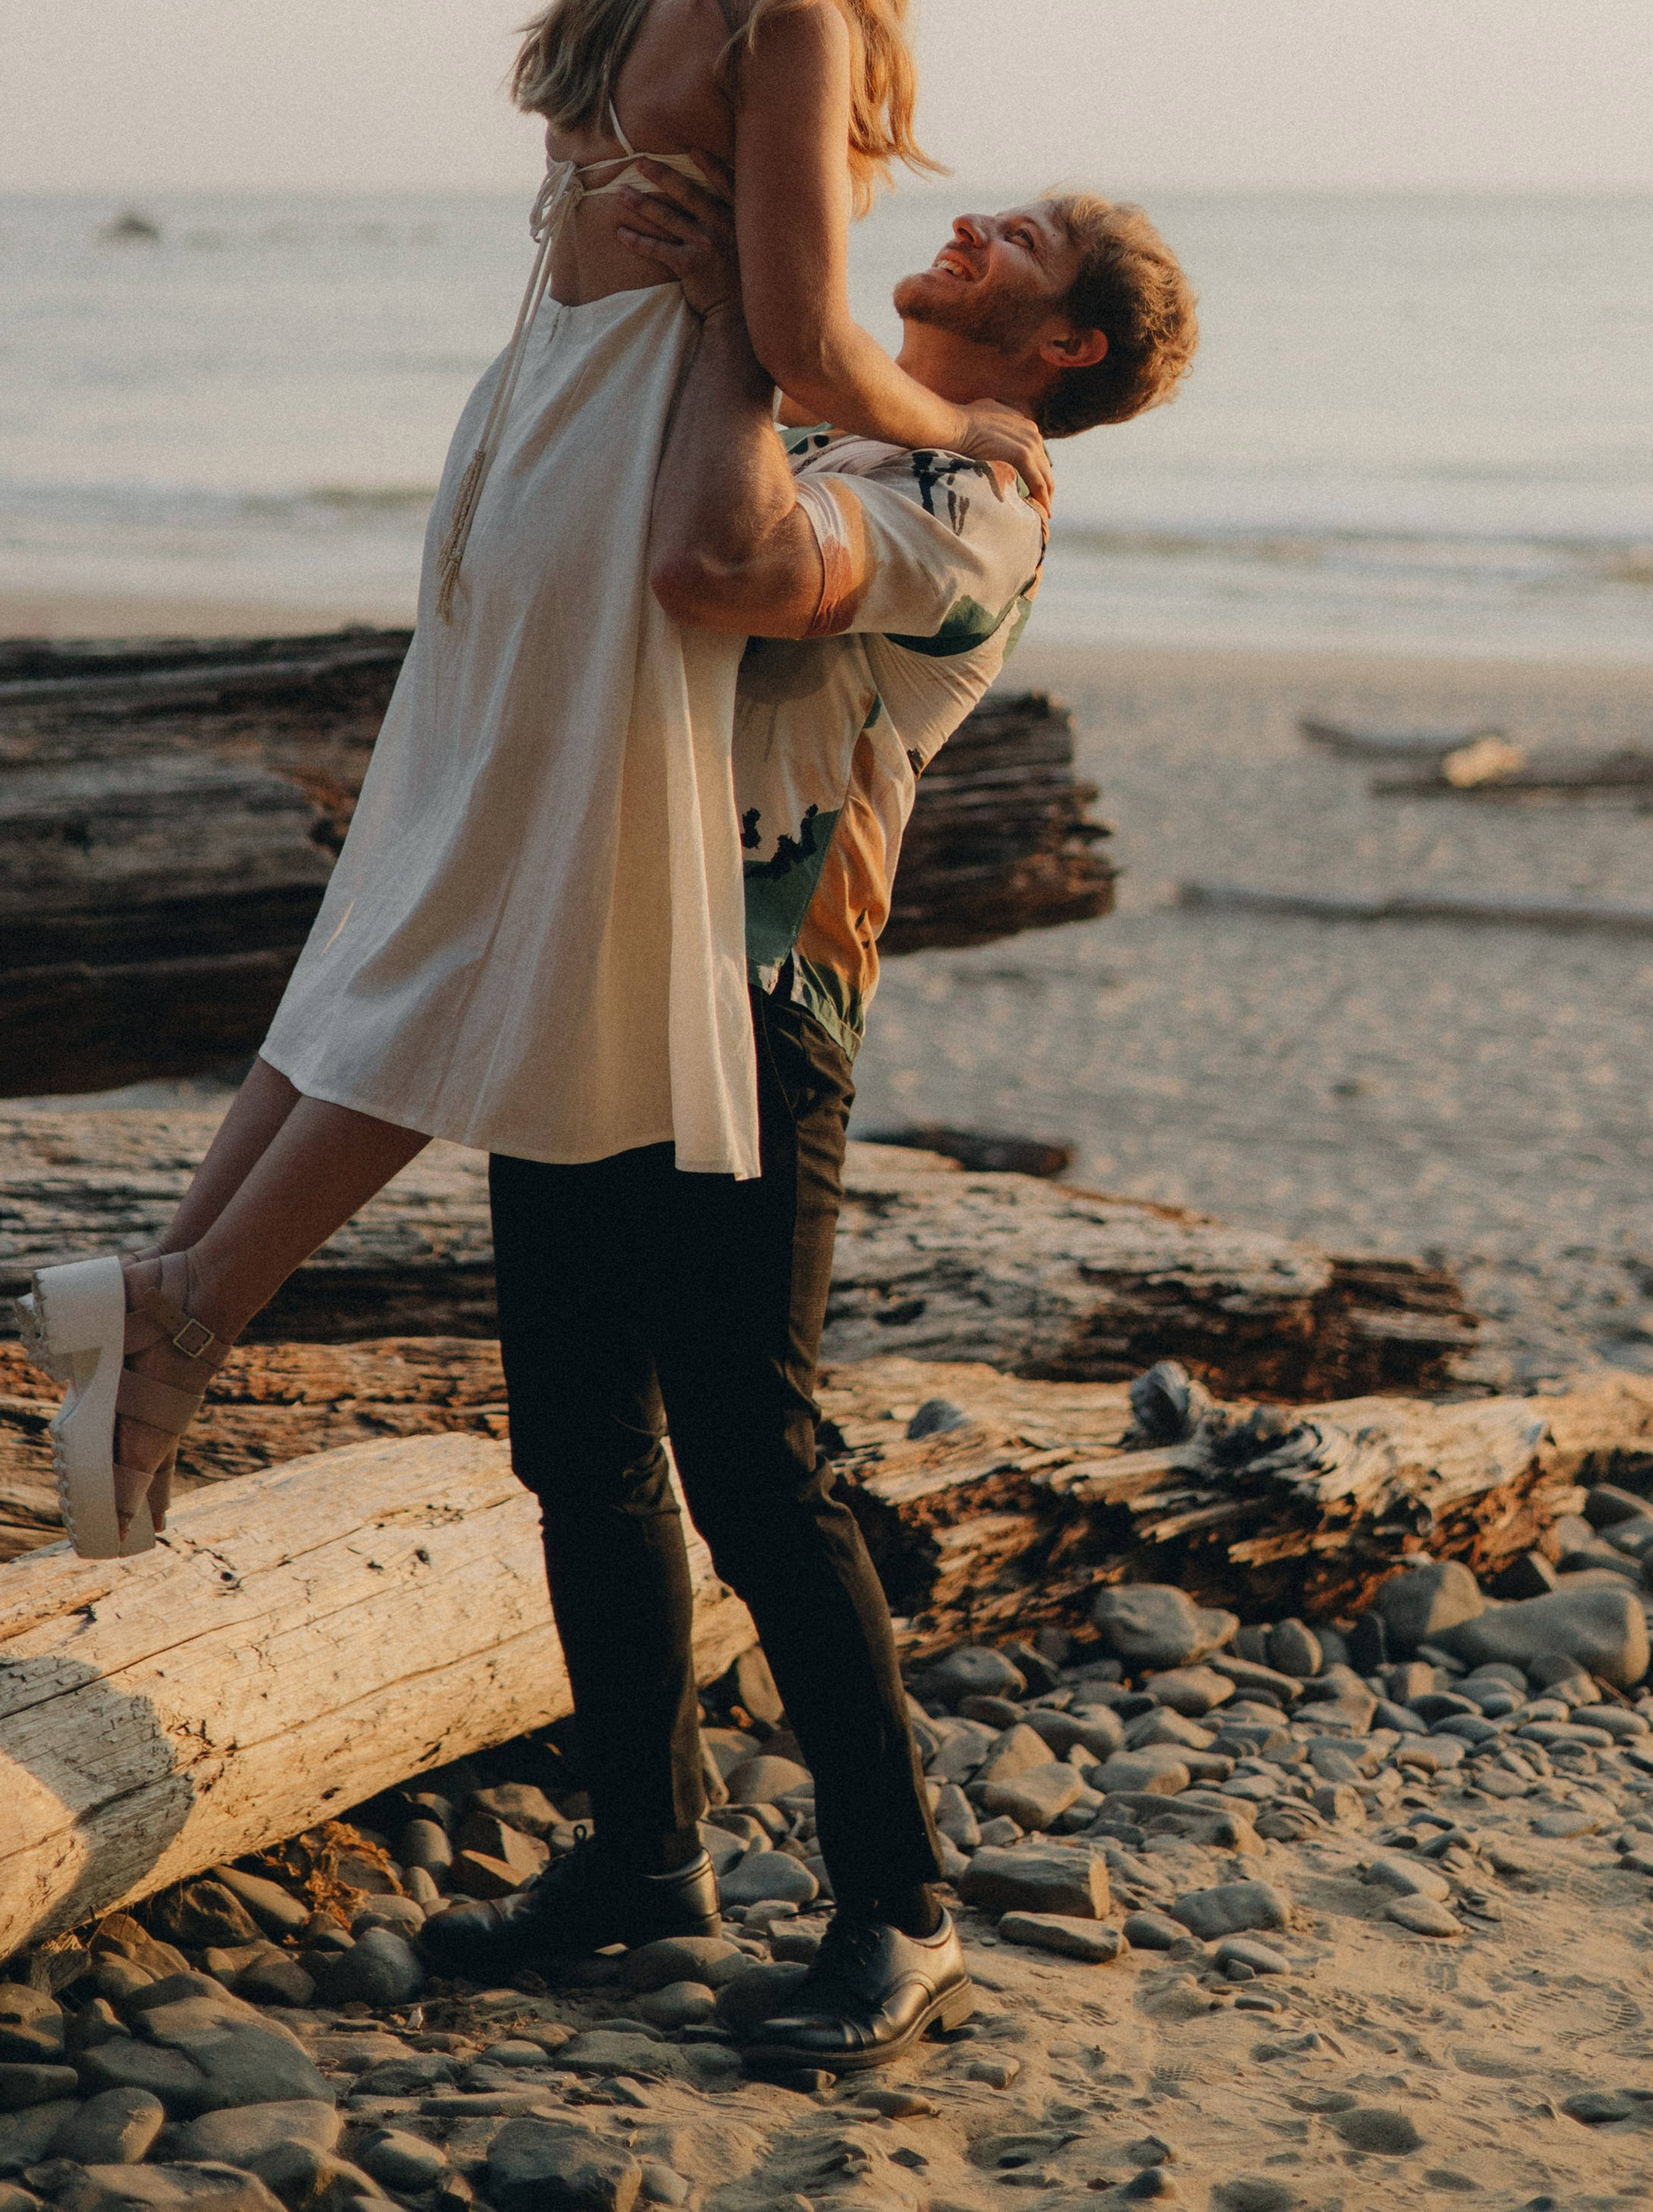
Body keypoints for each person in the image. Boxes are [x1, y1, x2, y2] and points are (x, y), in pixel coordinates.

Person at [19, 0, 1052, 1558]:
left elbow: (646, 261)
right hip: (620, 486)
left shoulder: (621, 3)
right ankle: (180, 1314)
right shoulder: (785, 20)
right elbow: (811, 344)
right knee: (488, 934)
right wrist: (955, 428)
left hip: (521, 457)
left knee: (418, 897)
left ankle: (168, 1300)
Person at [416, 170, 1197, 2075]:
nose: (974, 220)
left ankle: (902, 1912)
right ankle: (643, 1862)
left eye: (1020, 237)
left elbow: (724, 577)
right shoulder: (844, 408)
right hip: (599, 945)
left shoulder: (983, 491)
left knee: (757, 1459)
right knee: (576, 1438)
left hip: (759, 999)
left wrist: (737, 340)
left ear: (1064, 340)